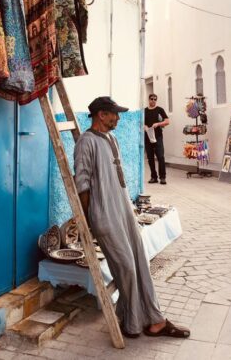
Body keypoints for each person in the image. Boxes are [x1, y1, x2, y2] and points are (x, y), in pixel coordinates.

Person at [74, 96, 190, 339]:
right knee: (126, 267)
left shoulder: (112, 138)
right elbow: (82, 185)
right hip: (104, 215)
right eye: (113, 113)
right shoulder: (86, 142)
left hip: (124, 211)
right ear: (101, 115)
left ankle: (155, 320)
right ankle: (132, 320)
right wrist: (87, 220)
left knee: (140, 262)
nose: (118, 118)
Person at [144, 94, 170, 184]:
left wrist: (158, 124)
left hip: (158, 137)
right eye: (152, 99)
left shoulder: (160, 110)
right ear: (149, 99)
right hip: (147, 137)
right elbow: (140, 123)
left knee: (161, 157)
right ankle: (153, 177)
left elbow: (167, 121)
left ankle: (162, 177)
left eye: (155, 99)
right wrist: (145, 126)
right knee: (150, 158)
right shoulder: (144, 111)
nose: (153, 100)